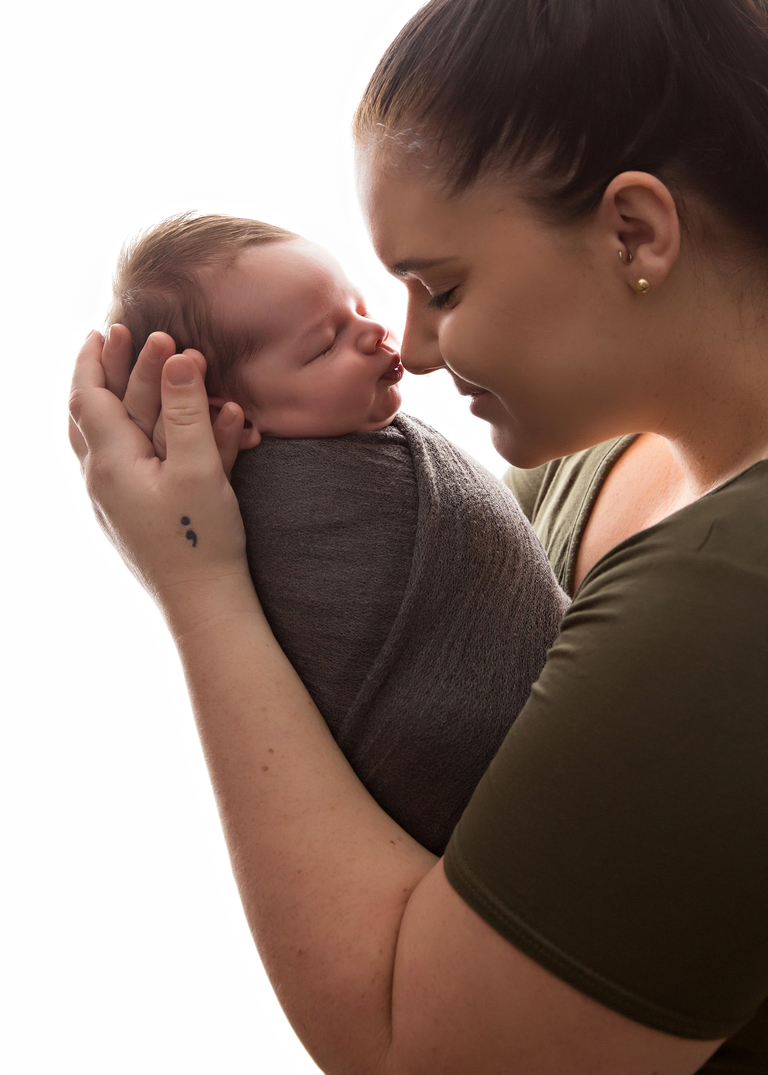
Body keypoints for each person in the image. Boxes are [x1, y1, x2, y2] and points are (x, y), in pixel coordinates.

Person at [69, 0, 768, 1070]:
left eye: (441, 287)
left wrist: (197, 588)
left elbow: (423, 1055)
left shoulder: (729, 595)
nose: (418, 349)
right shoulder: (573, 481)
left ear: (636, 230)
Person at [105, 212, 569, 855]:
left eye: (356, 307)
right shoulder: (289, 506)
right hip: (487, 813)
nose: (378, 332)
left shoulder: (359, 444)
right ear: (220, 414)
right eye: (325, 345)